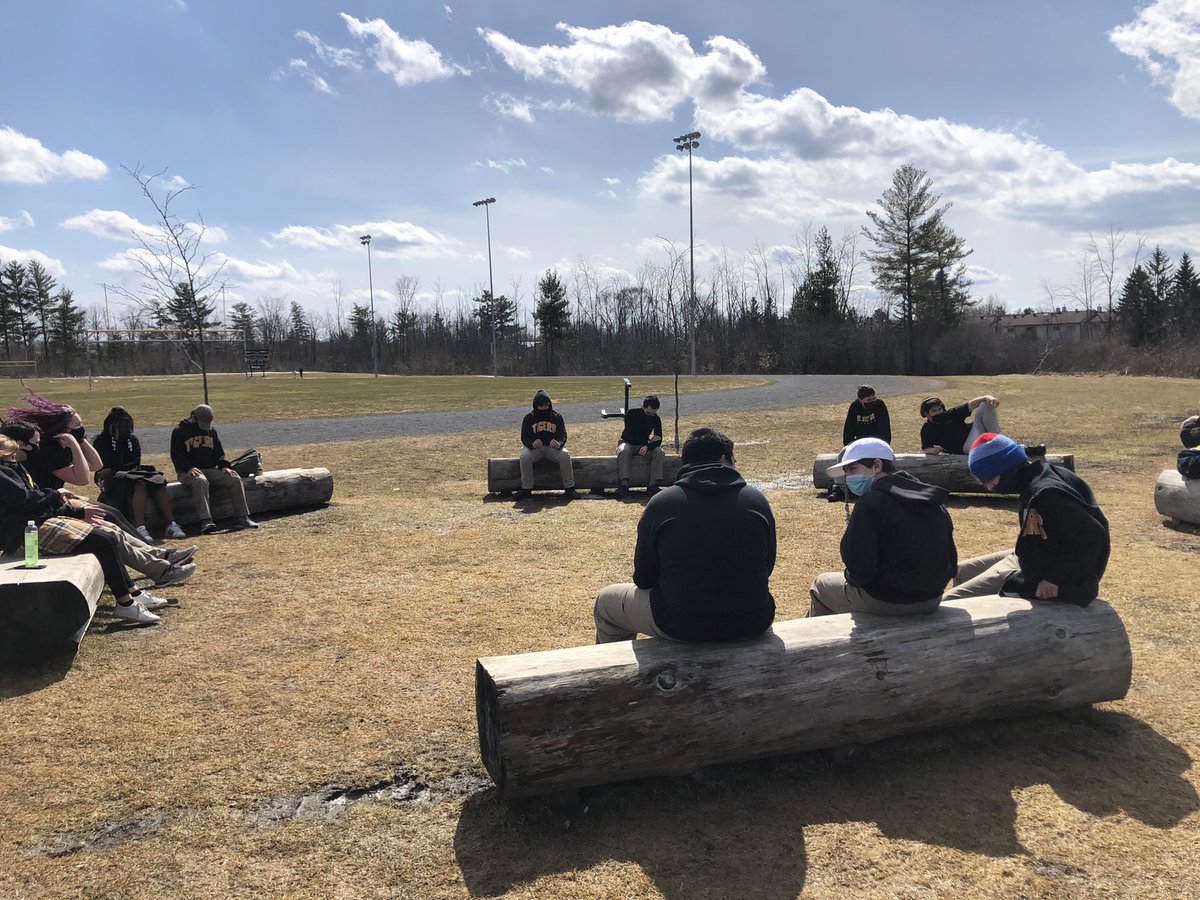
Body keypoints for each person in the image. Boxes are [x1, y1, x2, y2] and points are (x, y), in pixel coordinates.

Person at [593, 427, 776, 643]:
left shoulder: (662, 504)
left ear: (685, 463)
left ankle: (616, 674)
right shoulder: (756, 500)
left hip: (680, 624)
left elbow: (643, 578)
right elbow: (767, 567)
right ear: (725, 459)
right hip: (753, 620)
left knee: (606, 603)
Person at [0, 436, 174, 624]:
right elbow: (27, 500)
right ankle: (126, 603)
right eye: (10, 456)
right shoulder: (4, 474)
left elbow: (37, 501)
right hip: (22, 536)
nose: (14, 459)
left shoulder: (12, 469)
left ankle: (132, 593)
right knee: (102, 542)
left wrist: (77, 511)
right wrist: (55, 494)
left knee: (106, 537)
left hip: (37, 523)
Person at [3, 429, 197, 587]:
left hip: (47, 513)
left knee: (110, 520)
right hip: (29, 528)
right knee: (105, 536)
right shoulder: (19, 466)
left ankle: (161, 559)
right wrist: (64, 502)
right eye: (34, 443)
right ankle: (135, 591)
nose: (39, 446)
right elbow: (34, 499)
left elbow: (95, 464)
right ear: (18, 445)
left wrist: (76, 442)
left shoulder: (17, 466)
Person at [942, 433, 1109, 607]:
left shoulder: (1046, 494)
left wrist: (1054, 578)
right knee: (960, 571)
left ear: (1008, 466)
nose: (990, 487)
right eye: (984, 481)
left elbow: (1093, 534)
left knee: (950, 602)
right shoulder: (1038, 476)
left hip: (1045, 574)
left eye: (991, 478)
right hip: (1031, 557)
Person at [809, 437, 956, 617]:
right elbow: (950, 557)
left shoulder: (870, 504)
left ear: (876, 466)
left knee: (821, 585)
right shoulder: (929, 498)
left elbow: (859, 567)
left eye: (853, 469)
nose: (848, 478)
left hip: (885, 600)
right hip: (932, 598)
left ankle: (825, 644)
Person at [92, 406, 186, 542]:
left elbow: (135, 462)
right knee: (140, 484)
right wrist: (116, 445)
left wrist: (114, 468)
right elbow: (102, 466)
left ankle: (171, 524)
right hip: (114, 478)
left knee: (158, 482)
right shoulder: (101, 441)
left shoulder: (132, 440)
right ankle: (140, 527)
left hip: (131, 472)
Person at [170, 404, 258, 533]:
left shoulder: (211, 431)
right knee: (200, 481)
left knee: (234, 478)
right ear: (193, 417)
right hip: (187, 471)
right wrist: (188, 468)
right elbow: (176, 455)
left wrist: (224, 467)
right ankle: (206, 520)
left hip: (210, 469)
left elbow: (219, 453)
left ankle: (243, 517)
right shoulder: (179, 431)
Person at [516, 390, 576, 500]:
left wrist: (559, 444)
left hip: (551, 449)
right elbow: (524, 437)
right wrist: (532, 444)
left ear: (549, 404)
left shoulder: (557, 417)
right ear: (536, 405)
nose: (544, 407)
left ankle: (570, 488)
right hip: (534, 449)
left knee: (565, 455)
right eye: (541, 405)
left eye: (546, 404)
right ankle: (526, 489)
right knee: (524, 456)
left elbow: (563, 435)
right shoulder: (528, 418)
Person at [919, 395, 1002, 455]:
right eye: (934, 411)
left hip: (974, 433)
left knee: (985, 404)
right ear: (926, 414)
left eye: (940, 409)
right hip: (965, 447)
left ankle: (1000, 443)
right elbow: (926, 448)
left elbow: (971, 405)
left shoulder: (950, 414)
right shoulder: (927, 429)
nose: (938, 412)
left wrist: (987, 397)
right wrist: (932, 450)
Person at [617, 394, 665, 495]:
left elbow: (658, 438)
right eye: (648, 412)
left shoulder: (656, 419)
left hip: (644, 445)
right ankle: (624, 484)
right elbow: (632, 434)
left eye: (653, 413)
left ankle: (653, 484)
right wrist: (648, 443)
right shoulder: (631, 414)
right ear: (642, 406)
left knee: (659, 452)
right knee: (625, 450)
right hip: (627, 442)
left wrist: (648, 447)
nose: (650, 415)